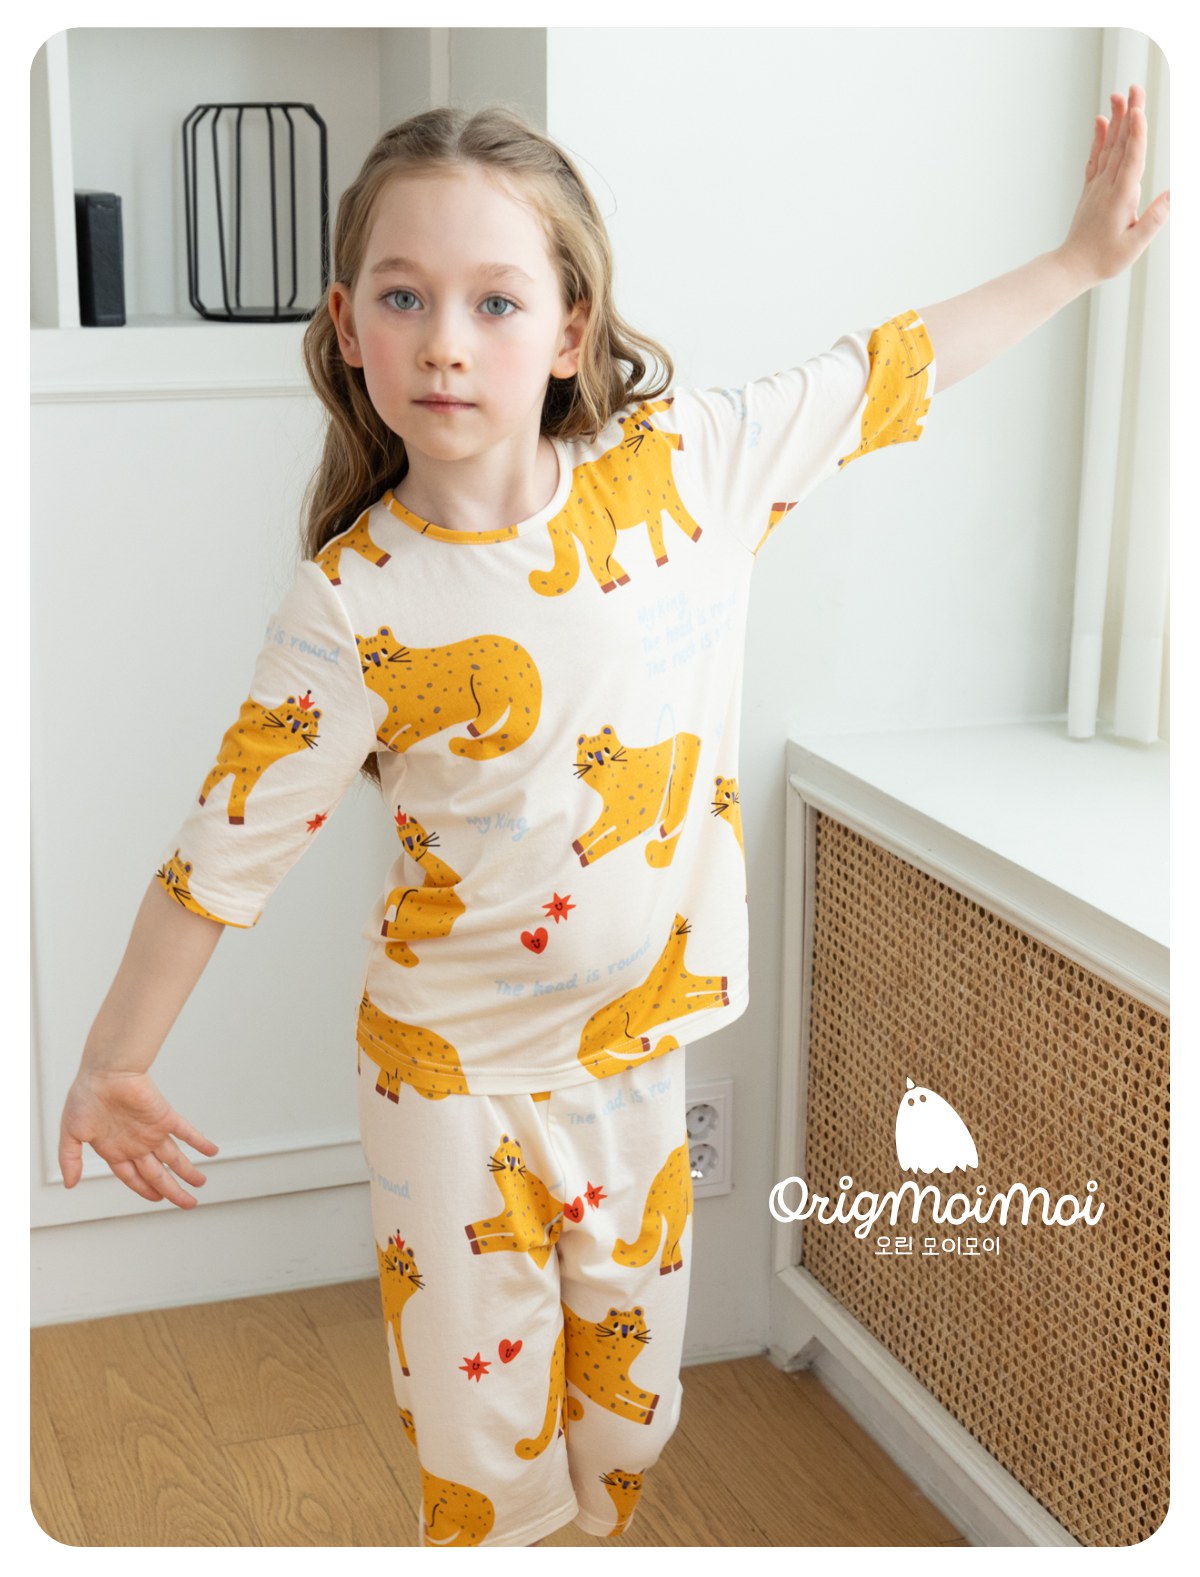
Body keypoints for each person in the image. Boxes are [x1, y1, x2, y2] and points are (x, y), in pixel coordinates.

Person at [57, 89, 1168, 1548]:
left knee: (628, 1430)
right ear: (347, 326)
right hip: (446, 1085)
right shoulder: (351, 602)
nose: (445, 341)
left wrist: (1080, 263)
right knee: (487, 1465)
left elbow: (885, 369)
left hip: (636, 1060)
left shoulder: (686, 472)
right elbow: (217, 858)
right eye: (403, 297)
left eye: (494, 301)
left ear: (569, 331)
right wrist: (114, 1059)